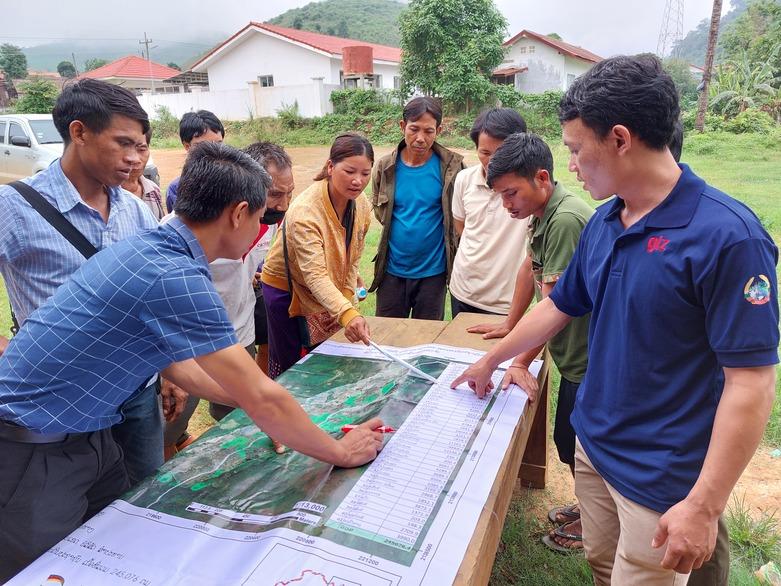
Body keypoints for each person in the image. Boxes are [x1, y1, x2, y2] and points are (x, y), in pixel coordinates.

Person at [453, 54, 778, 585]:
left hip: (659, 471)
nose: (572, 166)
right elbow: (559, 305)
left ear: (621, 139)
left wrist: (703, 505)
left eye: (576, 149)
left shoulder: (728, 238)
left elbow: (752, 382)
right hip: (594, 444)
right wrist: (494, 358)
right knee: (603, 564)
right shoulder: (606, 221)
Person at [0, 142, 384, 582]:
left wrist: (270, 411)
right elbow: (259, 394)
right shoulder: (174, 275)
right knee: (40, 571)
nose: (261, 229)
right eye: (261, 217)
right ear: (239, 214)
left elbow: (178, 365)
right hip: (32, 445)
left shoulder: (156, 249)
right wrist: (337, 450)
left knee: (111, 552)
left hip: (90, 434)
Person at [0, 78, 163, 487]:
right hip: (63, 405)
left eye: (140, 147)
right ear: (79, 132)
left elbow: (152, 299)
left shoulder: (136, 211)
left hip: (138, 396)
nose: (134, 159)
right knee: (72, 511)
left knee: (146, 500)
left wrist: (168, 373)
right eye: (122, 143)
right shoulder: (15, 208)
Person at [483, 132, 593, 553]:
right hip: (575, 357)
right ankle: (590, 510)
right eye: (501, 195)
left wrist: (516, 360)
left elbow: (554, 310)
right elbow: (530, 269)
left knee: (579, 444)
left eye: (511, 193)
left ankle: (595, 522)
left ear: (541, 178)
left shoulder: (565, 220)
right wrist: (510, 328)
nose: (506, 204)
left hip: (589, 359)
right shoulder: (544, 211)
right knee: (570, 440)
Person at [161, 142, 294, 457]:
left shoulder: (267, 224)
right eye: (275, 194)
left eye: (290, 193)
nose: (284, 205)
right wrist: (169, 368)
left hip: (237, 335)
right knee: (168, 429)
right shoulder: (179, 237)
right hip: (189, 346)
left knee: (238, 420)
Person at [262, 133, 374, 378]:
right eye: (350, 171)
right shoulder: (305, 212)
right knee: (294, 368)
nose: (358, 181)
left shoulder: (362, 204)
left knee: (328, 361)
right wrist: (346, 312)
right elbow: (314, 276)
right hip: (287, 291)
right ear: (330, 167)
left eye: (365, 174)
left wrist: (346, 298)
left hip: (325, 285)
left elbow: (353, 258)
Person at [369, 97, 464, 320]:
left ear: (438, 130)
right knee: (388, 333)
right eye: (414, 129)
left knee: (427, 336)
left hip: (433, 274)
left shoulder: (452, 168)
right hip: (391, 272)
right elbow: (381, 212)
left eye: (429, 131)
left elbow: (460, 215)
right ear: (403, 126)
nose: (420, 138)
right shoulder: (385, 167)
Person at [449, 108, 530, 318]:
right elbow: (461, 225)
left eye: (501, 152)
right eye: (484, 153)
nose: (492, 160)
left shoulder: (530, 189)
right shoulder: (464, 179)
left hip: (504, 301)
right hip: (462, 291)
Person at [165, 109, 224, 212]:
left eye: (218, 144)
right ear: (187, 146)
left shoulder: (238, 180)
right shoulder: (176, 190)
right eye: (205, 146)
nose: (214, 150)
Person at [120, 127, 165, 220]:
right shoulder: (104, 197)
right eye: (126, 150)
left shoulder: (153, 190)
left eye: (142, 149)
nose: (136, 159)